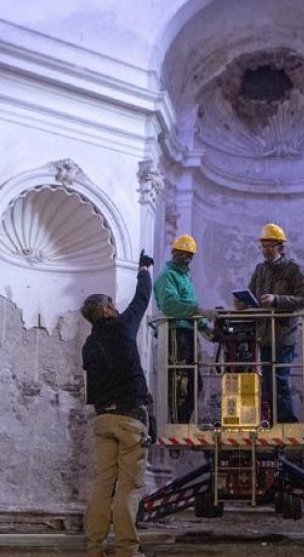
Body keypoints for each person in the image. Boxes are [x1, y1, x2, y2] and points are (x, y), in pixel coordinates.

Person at [81, 249, 154, 557]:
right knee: (128, 487)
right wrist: (143, 270)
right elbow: (142, 298)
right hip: (129, 420)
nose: (116, 306)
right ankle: (127, 550)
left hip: (102, 420)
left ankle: (94, 548)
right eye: (112, 303)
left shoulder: (88, 345)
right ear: (108, 310)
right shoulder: (123, 328)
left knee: (102, 486)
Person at [235, 223, 304, 423]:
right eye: (263, 246)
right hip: (264, 335)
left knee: (280, 380)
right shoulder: (260, 270)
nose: (266, 251)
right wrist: (243, 303)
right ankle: (269, 421)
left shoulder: (294, 270)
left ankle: (287, 423)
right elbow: (252, 294)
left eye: (270, 246)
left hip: (283, 334)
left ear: (281, 248)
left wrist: (276, 300)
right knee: (267, 382)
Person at [153, 234, 211, 424]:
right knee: (180, 382)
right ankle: (176, 424)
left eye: (188, 254)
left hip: (188, 333)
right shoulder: (167, 276)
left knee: (195, 383)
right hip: (176, 334)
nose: (185, 257)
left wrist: (205, 328)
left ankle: (183, 422)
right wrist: (199, 311)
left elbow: (191, 308)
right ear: (173, 253)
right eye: (181, 253)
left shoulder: (185, 278)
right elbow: (170, 305)